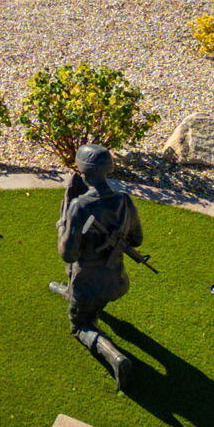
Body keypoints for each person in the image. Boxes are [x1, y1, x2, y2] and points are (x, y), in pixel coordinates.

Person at [50, 143, 147, 388]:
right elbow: (137, 239)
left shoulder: (80, 205)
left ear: (84, 172)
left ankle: (116, 359)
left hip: (89, 285)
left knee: (80, 325)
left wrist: (62, 225)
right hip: (117, 280)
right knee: (83, 290)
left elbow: (68, 255)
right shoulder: (123, 200)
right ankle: (70, 292)